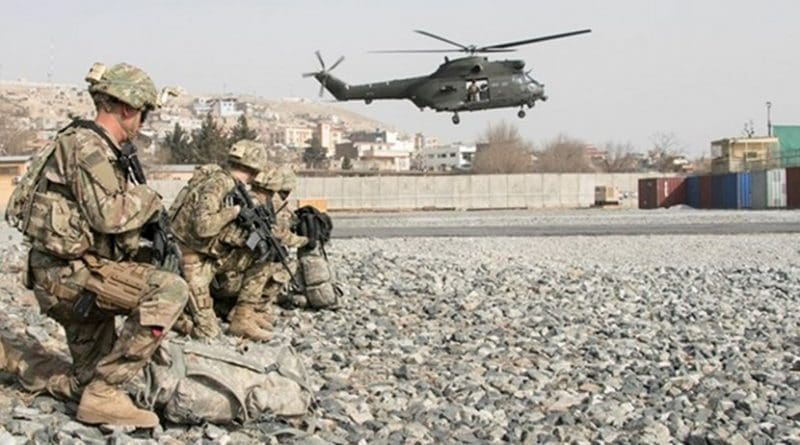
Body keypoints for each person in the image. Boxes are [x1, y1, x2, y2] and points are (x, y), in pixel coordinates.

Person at [7, 63, 189, 428]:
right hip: (72, 278)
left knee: (82, 382)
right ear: (127, 108)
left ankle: (11, 359)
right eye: (144, 112)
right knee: (169, 291)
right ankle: (106, 395)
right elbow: (110, 215)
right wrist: (150, 200)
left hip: (70, 273)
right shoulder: (87, 147)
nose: (143, 122)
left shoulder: (93, 145)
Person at [169, 139, 268, 339]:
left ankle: (242, 317)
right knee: (208, 333)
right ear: (255, 167)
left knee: (262, 257)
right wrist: (235, 211)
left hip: (207, 256)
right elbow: (204, 227)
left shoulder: (232, 185)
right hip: (190, 260)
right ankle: (175, 319)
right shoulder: (219, 183)